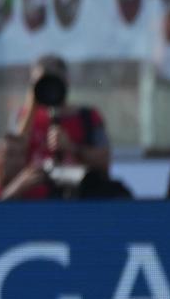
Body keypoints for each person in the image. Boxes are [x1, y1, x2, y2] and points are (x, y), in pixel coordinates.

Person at [15, 55, 133, 200]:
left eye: (54, 81)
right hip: (33, 202)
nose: (49, 87)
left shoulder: (88, 117)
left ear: (67, 82)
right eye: (41, 82)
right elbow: (11, 153)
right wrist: (32, 105)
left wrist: (72, 147)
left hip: (78, 200)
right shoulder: (24, 117)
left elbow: (105, 160)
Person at [0, 134, 54, 201]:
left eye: (22, 154)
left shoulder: (39, 194)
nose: (18, 161)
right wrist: (13, 191)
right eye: (10, 154)